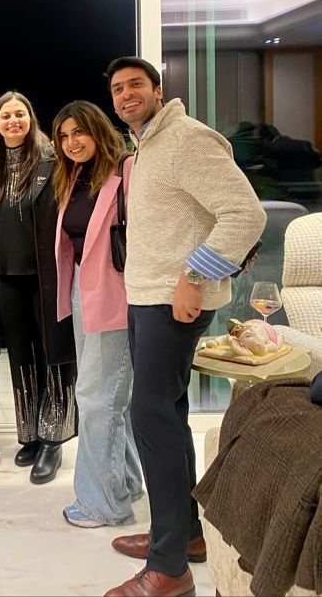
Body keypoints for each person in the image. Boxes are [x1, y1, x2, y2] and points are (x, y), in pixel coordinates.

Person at [103, 56, 266, 597]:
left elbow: (246, 214)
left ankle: (168, 567)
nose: (126, 95)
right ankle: (187, 532)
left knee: (151, 419)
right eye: (118, 89)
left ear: (157, 89)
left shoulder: (188, 139)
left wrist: (195, 278)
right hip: (147, 295)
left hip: (171, 302)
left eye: (135, 86)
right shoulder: (147, 144)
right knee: (165, 415)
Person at [51, 100, 143, 526]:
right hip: (81, 295)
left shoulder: (128, 171)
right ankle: (124, 481)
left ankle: (103, 504)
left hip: (116, 297)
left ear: (98, 130)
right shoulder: (74, 176)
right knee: (108, 400)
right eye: (65, 136)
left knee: (95, 400)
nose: (71, 143)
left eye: (78, 133)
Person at [0, 91, 76, 483]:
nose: (13, 121)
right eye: (6, 116)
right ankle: (31, 435)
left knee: (54, 356)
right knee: (21, 357)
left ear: (30, 119)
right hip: (7, 277)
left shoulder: (54, 163)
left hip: (46, 277)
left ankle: (54, 439)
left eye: (19, 114)